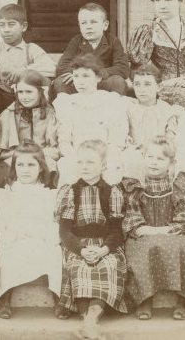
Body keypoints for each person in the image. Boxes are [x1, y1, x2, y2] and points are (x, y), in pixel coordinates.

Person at [55, 140, 127, 340]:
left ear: (103, 166)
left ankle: (90, 321)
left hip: (105, 245)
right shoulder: (70, 191)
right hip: (78, 245)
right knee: (79, 267)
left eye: (90, 162)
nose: (84, 167)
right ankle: (88, 322)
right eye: (80, 162)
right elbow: (65, 232)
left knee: (109, 265)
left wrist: (104, 250)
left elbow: (116, 231)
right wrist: (81, 249)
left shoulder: (112, 192)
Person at [121, 136, 185, 321]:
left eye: (160, 159)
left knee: (181, 246)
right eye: (150, 157)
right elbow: (131, 214)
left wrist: (167, 229)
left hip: (172, 232)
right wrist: (145, 229)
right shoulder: (135, 185)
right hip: (144, 233)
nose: (154, 162)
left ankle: (182, 299)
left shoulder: (177, 185)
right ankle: (144, 298)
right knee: (141, 247)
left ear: (171, 162)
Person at [0, 143, 61, 319]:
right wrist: (16, 234)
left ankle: (58, 296)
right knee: (4, 254)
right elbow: (1, 224)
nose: (25, 170)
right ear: (14, 168)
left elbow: (53, 223)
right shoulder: (5, 194)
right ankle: (4, 296)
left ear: (41, 168)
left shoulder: (50, 195)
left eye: (31, 165)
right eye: (20, 165)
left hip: (41, 238)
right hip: (15, 239)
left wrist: (41, 235)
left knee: (55, 253)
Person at [53, 55, 128, 186]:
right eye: (76, 76)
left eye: (86, 76)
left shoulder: (111, 101)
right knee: (68, 167)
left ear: (98, 78)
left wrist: (104, 158)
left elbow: (117, 137)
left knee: (113, 169)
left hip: (106, 155)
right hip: (77, 156)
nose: (80, 82)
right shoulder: (67, 103)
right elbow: (64, 139)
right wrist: (76, 158)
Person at [0, 3, 56, 112]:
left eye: (11, 24)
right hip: (0, 97)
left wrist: (24, 70)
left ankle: (40, 116)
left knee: (45, 79)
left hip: (26, 97)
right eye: (2, 25)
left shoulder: (31, 49)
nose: (6, 29)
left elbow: (51, 68)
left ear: (24, 27)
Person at [52, 2, 129, 98]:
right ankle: (70, 111)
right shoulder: (76, 41)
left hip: (102, 82)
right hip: (81, 82)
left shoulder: (113, 41)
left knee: (117, 82)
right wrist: (79, 74)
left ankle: (112, 111)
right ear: (79, 26)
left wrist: (98, 74)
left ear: (105, 25)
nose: (88, 26)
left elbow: (123, 68)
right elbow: (62, 67)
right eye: (84, 23)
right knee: (61, 82)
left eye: (93, 22)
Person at [121, 64, 183, 180]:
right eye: (137, 84)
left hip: (158, 154)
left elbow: (170, 138)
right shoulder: (128, 108)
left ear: (158, 87)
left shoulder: (166, 110)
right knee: (131, 160)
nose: (142, 89)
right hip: (136, 153)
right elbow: (124, 133)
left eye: (147, 84)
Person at [0, 69, 59, 175]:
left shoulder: (50, 114)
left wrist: (35, 155)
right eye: (20, 92)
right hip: (15, 160)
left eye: (29, 92)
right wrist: (22, 155)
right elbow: (0, 153)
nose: (24, 97)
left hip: (43, 160)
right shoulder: (8, 115)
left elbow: (55, 151)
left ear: (40, 92)